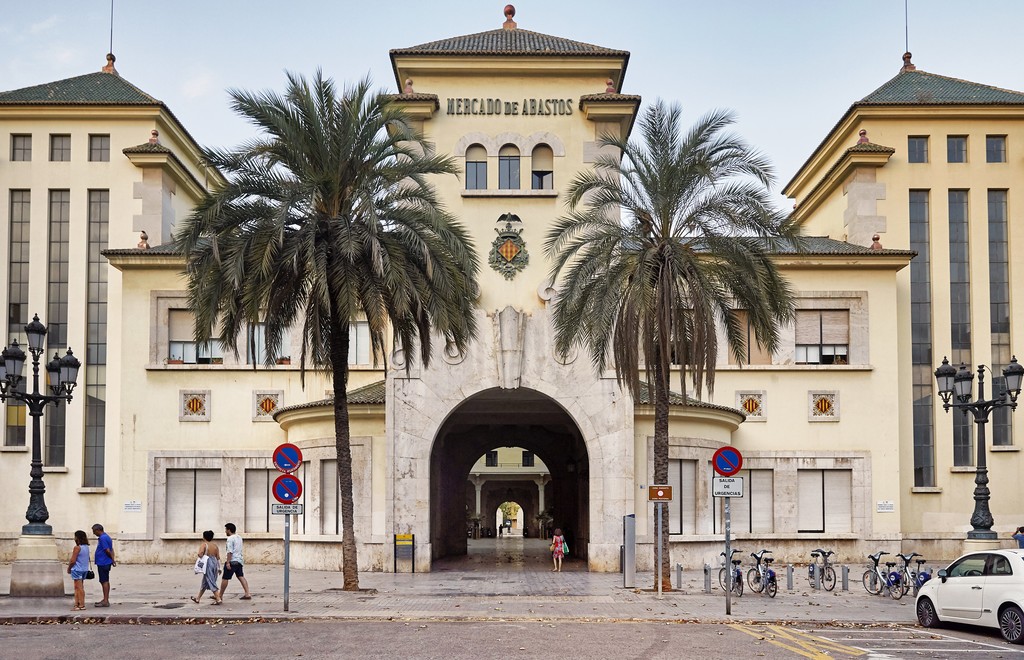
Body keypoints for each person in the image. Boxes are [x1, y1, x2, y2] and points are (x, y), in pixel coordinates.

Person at [219, 522, 252, 600]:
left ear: (229, 530)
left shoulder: (230, 539)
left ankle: (220, 595)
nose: (225, 531)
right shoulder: (239, 537)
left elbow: (230, 551)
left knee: (225, 578)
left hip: (232, 561)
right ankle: (247, 593)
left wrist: (228, 562)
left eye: (226, 530)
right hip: (239, 560)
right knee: (240, 576)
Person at [191, 530, 223, 605]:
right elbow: (218, 557)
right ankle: (198, 598)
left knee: (211, 580)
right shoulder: (215, 546)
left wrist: (201, 556)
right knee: (205, 582)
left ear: (204, 537)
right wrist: (219, 568)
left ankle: (218, 599)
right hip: (214, 563)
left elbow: (200, 553)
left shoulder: (204, 545)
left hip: (207, 563)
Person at [91, 523, 115, 607]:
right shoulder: (106, 537)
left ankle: (105, 600)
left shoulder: (103, 538)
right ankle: (105, 599)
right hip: (105, 561)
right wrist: (112, 559)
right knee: (104, 580)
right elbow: (112, 549)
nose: (94, 533)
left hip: (103, 562)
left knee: (104, 580)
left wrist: (111, 559)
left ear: (98, 530)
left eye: (94, 531)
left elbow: (108, 550)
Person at [67, 530, 90, 611]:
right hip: (84, 569)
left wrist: (69, 568)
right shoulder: (86, 547)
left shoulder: (77, 548)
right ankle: (77, 604)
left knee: (79, 588)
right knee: (78, 587)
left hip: (77, 569)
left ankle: (81, 604)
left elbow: (73, 560)